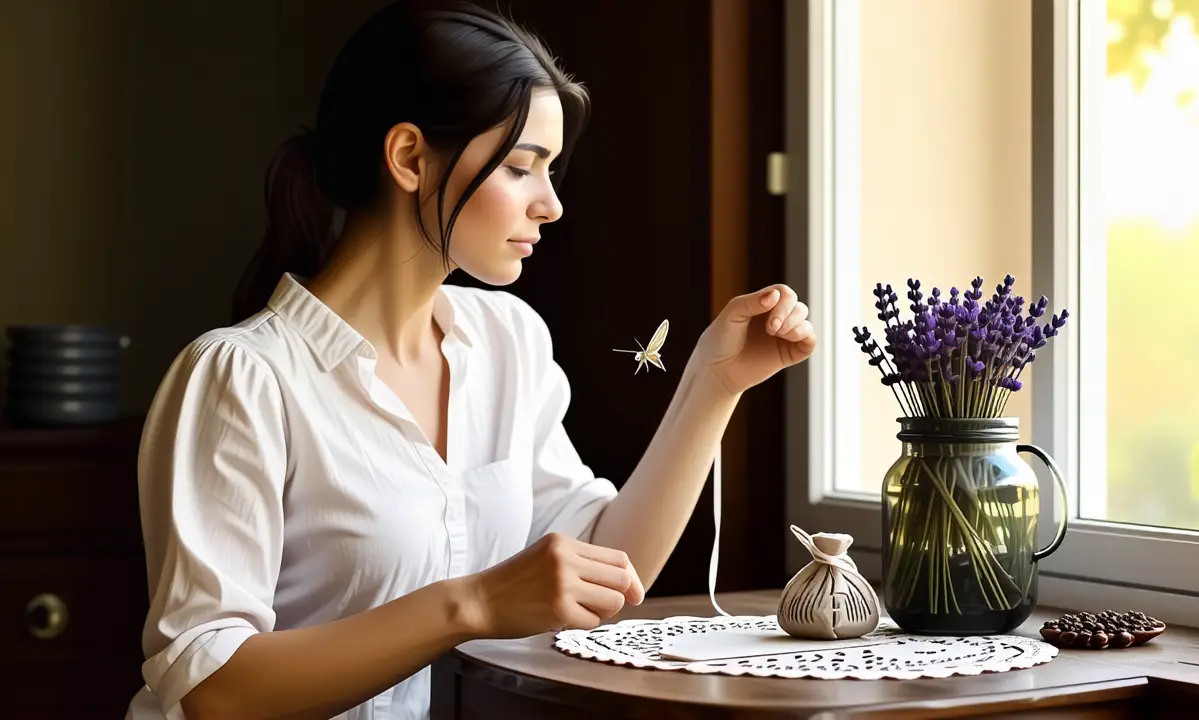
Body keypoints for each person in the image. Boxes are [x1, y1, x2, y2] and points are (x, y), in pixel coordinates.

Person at [125, 1, 816, 718]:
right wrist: (475, 602)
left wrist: (714, 383)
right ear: (409, 158)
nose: (549, 204)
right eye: (522, 168)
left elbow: (607, 573)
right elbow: (213, 689)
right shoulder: (242, 378)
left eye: (550, 171)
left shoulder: (508, 341)